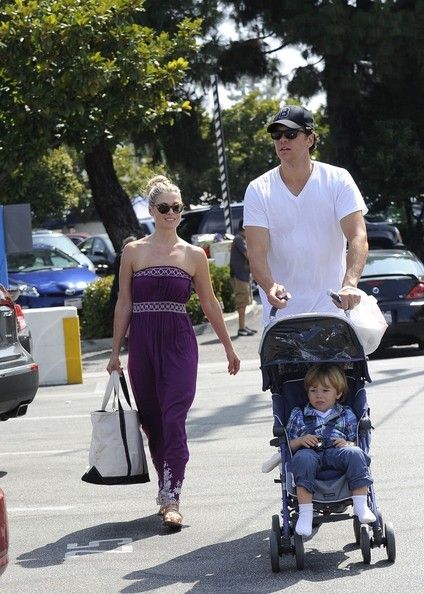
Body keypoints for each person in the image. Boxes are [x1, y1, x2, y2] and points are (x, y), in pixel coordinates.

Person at [106, 175, 240, 530]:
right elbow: (124, 303)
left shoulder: (194, 255)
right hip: (144, 344)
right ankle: (165, 488)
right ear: (151, 211)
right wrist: (114, 351)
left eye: (176, 207)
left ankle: (171, 497)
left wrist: (229, 347)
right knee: (152, 422)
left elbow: (210, 303)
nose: (170, 213)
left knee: (173, 419)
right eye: (163, 207)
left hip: (180, 343)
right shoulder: (134, 251)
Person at [243, 104, 369, 324]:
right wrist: (270, 286)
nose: (282, 140)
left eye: (291, 134)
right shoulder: (258, 189)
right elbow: (256, 253)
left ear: (310, 139)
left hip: (334, 313)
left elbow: (358, 236)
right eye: (277, 134)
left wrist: (349, 283)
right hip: (282, 319)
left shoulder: (338, 179)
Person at [287, 363, 375, 537]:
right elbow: (288, 446)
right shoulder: (298, 414)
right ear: (307, 393)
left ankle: (361, 505)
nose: (319, 395)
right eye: (313, 390)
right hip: (310, 453)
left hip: (338, 452)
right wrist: (301, 440)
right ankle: (305, 514)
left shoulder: (346, 413)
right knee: (302, 458)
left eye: (325, 391)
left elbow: (356, 441)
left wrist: (348, 443)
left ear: (338, 394)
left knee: (356, 453)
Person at [229, 219, 257, 337]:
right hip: (239, 276)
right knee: (242, 302)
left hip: (243, 275)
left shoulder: (241, 239)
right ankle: (241, 328)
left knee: (245, 302)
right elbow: (248, 255)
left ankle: (243, 326)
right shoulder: (239, 239)